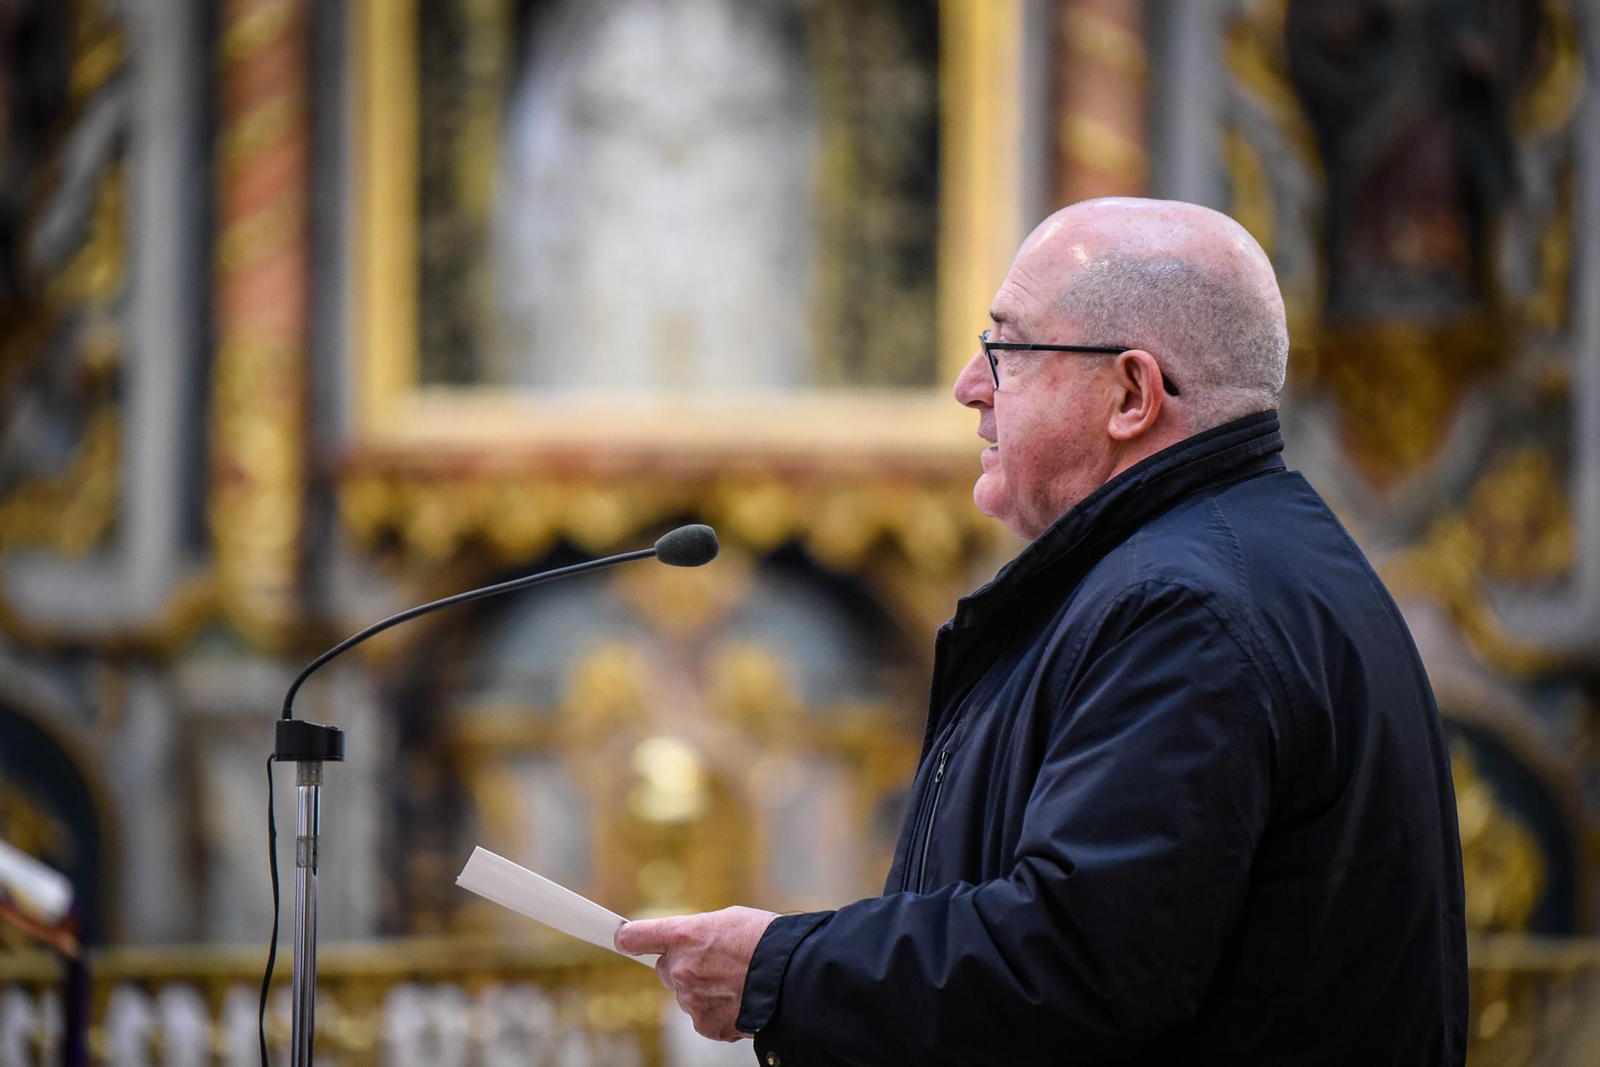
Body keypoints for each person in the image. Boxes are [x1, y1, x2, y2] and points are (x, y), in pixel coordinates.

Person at [615, 197, 1469, 1065]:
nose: (969, 386)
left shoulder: (1184, 608)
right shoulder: (1240, 559)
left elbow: (1079, 961)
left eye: (1007, 349)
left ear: (1132, 393)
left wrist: (784, 968)